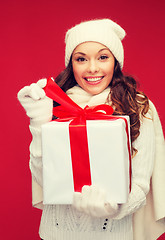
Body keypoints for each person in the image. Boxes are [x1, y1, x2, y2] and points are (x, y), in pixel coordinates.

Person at [17, 19, 165, 240]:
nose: (92, 68)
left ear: (115, 62)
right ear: (72, 64)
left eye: (103, 57)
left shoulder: (138, 106)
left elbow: (141, 186)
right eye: (81, 59)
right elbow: (42, 177)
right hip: (54, 234)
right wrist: (38, 121)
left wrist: (113, 208)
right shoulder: (56, 102)